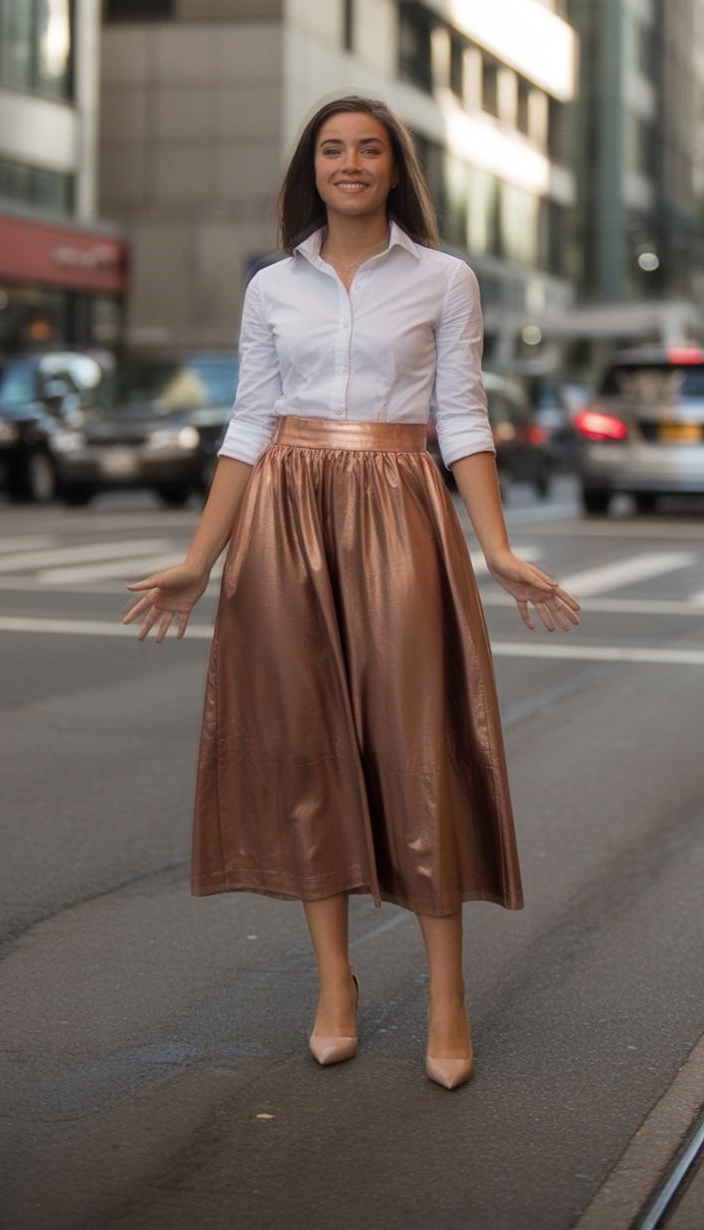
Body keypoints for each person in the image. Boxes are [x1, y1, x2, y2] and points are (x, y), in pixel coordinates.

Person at [122, 94, 582, 1090]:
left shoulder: (444, 279)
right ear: (312, 169)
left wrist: (498, 549)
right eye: (333, 149)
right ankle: (335, 983)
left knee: (418, 744)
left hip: (399, 511)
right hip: (284, 518)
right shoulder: (271, 287)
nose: (351, 163)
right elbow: (250, 424)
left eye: (369, 149)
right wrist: (199, 561)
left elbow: (462, 418)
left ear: (393, 168)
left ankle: (448, 995)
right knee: (306, 748)